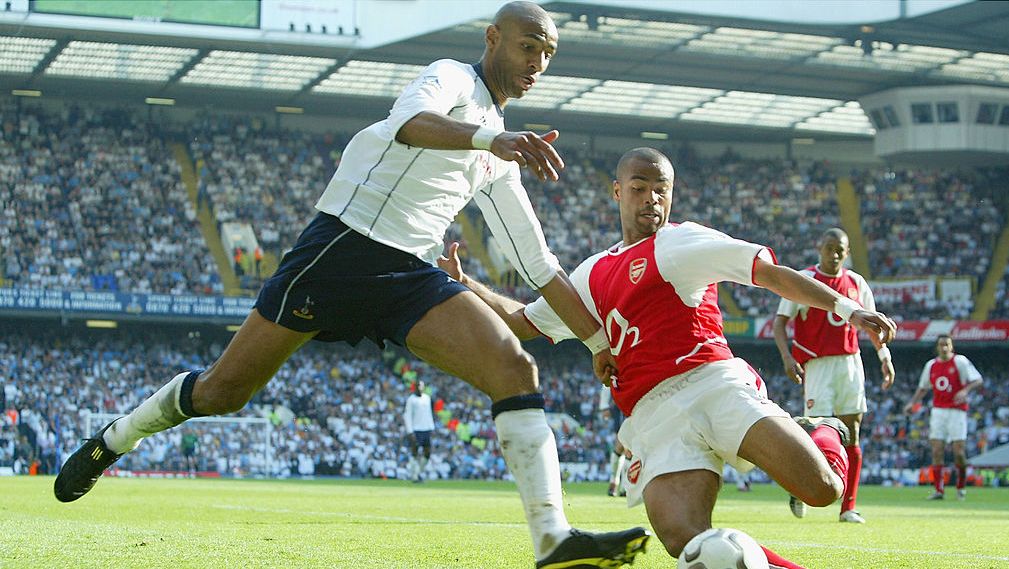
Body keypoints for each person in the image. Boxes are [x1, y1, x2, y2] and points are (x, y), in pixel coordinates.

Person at [53, 3, 650, 567]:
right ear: (492, 39)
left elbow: (539, 263)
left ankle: (554, 540)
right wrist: (492, 140)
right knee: (222, 393)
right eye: (528, 47)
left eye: (547, 55)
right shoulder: (451, 80)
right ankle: (113, 440)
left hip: (408, 276)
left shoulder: (502, 147)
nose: (536, 65)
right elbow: (407, 125)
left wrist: (598, 345)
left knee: (514, 368)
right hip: (342, 248)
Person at [438, 147, 897, 568]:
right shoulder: (589, 274)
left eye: (662, 190)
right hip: (651, 415)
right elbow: (522, 321)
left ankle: (824, 431)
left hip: (712, 383)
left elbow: (771, 275)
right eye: (639, 188)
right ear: (618, 191)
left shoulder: (682, 242)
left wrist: (848, 309)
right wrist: (465, 285)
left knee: (822, 490)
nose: (652, 199)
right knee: (687, 540)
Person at [772, 227, 895, 524]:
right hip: (818, 365)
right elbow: (779, 323)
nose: (835, 253)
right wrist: (787, 357)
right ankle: (801, 489)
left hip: (850, 363)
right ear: (820, 247)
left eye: (840, 249)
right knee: (818, 432)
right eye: (830, 247)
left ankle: (848, 507)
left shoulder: (856, 282)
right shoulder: (804, 280)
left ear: (847, 252)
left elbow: (872, 326)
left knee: (852, 433)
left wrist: (884, 357)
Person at [902, 335, 983, 500]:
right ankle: (939, 490)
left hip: (957, 411)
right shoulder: (931, 365)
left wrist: (965, 391)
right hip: (938, 411)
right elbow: (923, 388)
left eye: (947, 344)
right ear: (937, 347)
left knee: (958, 452)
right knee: (937, 450)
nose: (944, 347)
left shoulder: (960, 362)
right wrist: (912, 403)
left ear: (951, 346)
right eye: (941, 344)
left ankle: (960, 488)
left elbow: (978, 380)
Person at [403, 380, 434, 483]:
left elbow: (429, 414)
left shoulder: (427, 398)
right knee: (415, 452)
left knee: (427, 453)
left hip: (426, 429)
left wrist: (431, 427)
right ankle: (414, 476)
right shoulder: (411, 400)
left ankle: (418, 472)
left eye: (421, 386)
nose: (420, 387)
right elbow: (407, 415)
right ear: (415, 387)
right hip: (416, 429)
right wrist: (410, 431)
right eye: (418, 386)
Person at [598, 385, 627, 497]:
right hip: (621, 405)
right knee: (623, 446)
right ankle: (618, 483)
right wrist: (604, 406)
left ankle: (618, 484)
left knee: (626, 448)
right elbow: (607, 381)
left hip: (637, 403)